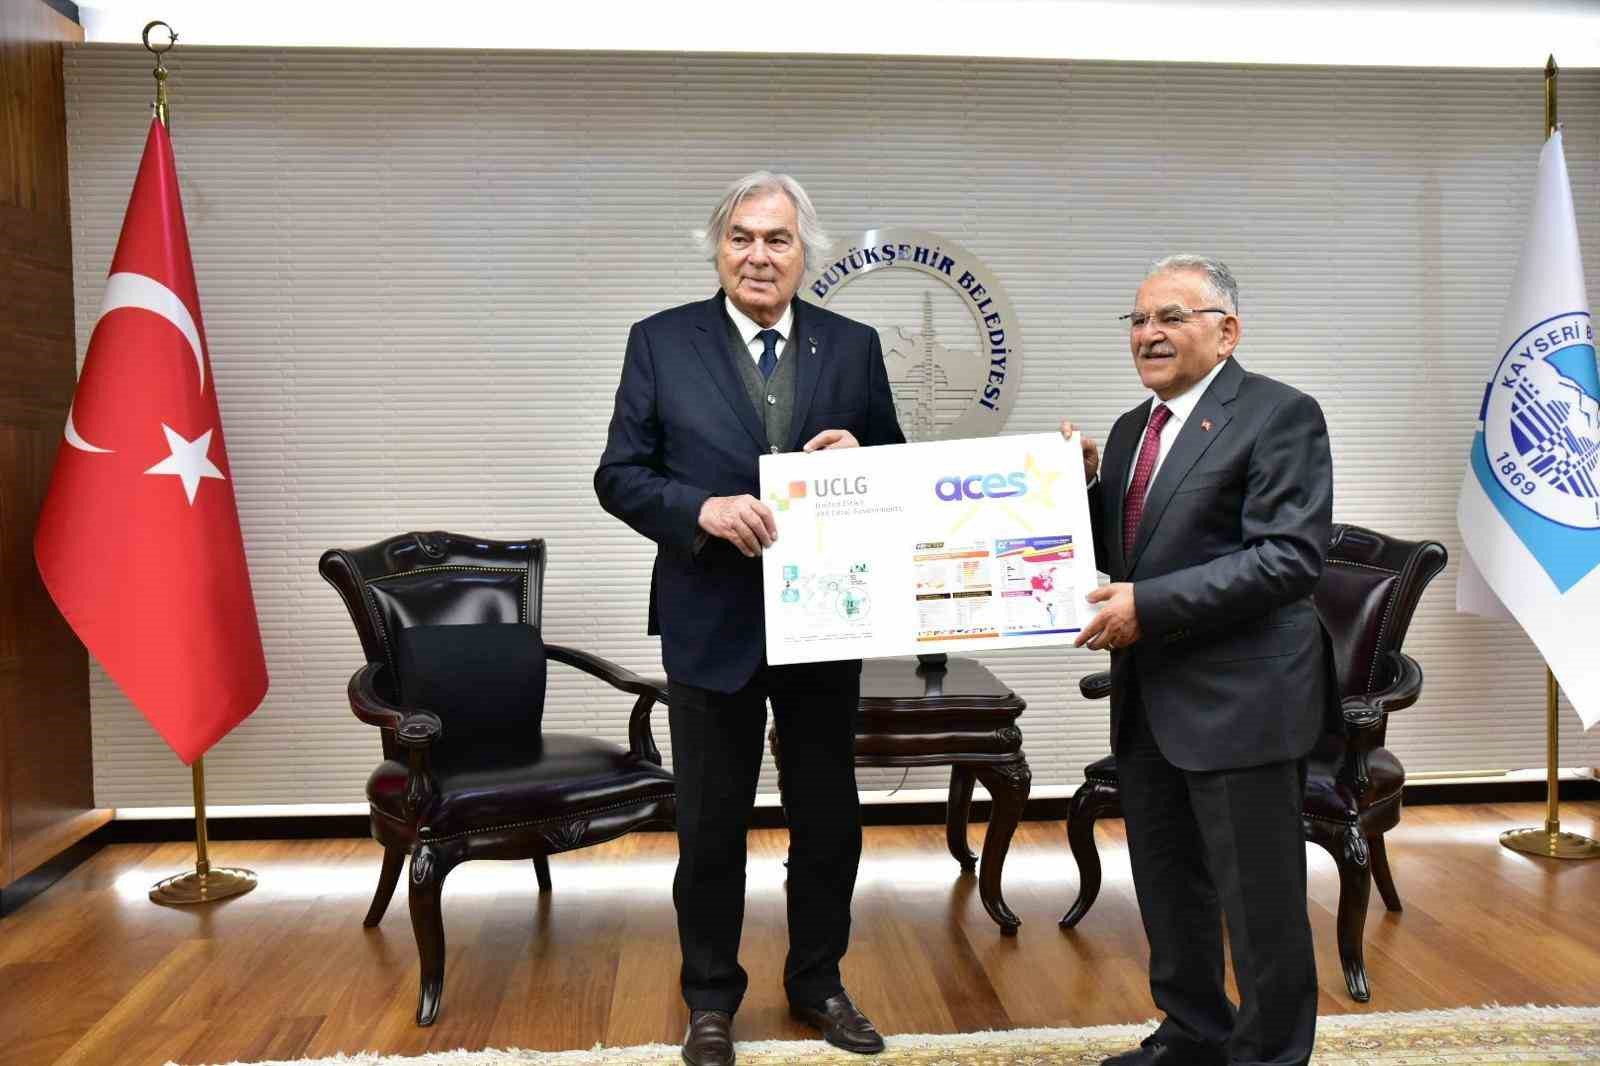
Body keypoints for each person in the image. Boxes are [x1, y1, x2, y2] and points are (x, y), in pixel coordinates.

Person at [595, 172, 905, 1066]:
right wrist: (698, 509)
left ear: (805, 253)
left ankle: (819, 983)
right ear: (717, 249)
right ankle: (709, 999)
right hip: (710, 617)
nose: (758, 255)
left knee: (828, 818)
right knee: (709, 823)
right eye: (741, 237)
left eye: (777, 239)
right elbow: (619, 475)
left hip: (826, 621)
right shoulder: (660, 341)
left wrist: (864, 455)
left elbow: (893, 463)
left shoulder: (854, 345)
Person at [1061, 255, 1335, 1066]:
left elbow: (1288, 558)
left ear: (1226, 332)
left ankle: (1270, 1054)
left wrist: (1148, 607)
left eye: (1171, 317)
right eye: (1139, 319)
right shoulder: (1129, 430)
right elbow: (1127, 551)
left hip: (1243, 700)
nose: (1149, 334)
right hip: (1151, 698)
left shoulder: (1280, 415)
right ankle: (1191, 1034)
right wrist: (1070, 491)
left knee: (1260, 905)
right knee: (1168, 884)